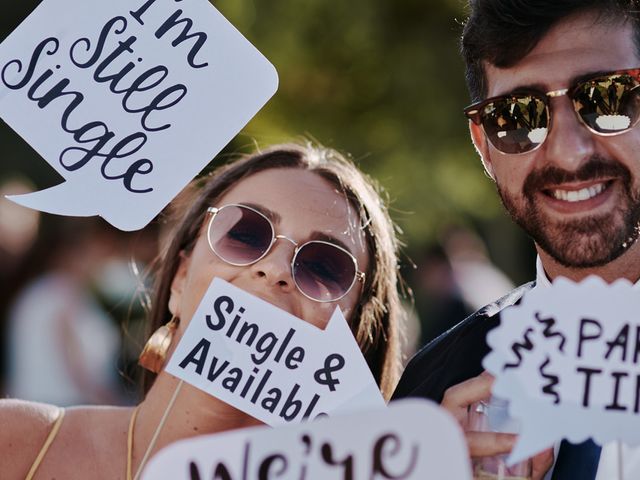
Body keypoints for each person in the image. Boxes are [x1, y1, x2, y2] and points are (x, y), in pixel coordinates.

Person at [0, 142, 405, 480]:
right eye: (245, 233)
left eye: (323, 266)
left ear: (355, 331)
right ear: (179, 278)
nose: (275, 268)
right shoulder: (17, 440)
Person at [393, 1, 640, 479]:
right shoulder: (431, 396)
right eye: (518, 115)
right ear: (483, 145)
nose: (569, 153)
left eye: (608, 97)